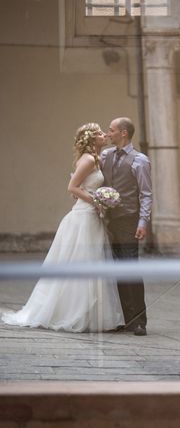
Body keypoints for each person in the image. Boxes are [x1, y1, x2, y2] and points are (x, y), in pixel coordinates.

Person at [2, 123, 125, 332]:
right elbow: (72, 187)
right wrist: (97, 201)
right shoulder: (87, 160)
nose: (104, 134)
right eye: (99, 133)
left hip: (91, 216)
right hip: (83, 217)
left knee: (93, 262)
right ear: (91, 138)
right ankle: (71, 313)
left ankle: (91, 315)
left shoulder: (95, 159)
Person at [101, 117, 152, 337]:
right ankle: (125, 317)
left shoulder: (140, 160)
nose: (108, 133)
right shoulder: (105, 156)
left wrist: (142, 222)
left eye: (111, 130)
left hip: (129, 220)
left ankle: (139, 321)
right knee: (116, 269)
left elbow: (146, 194)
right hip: (107, 220)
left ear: (123, 133)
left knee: (130, 267)